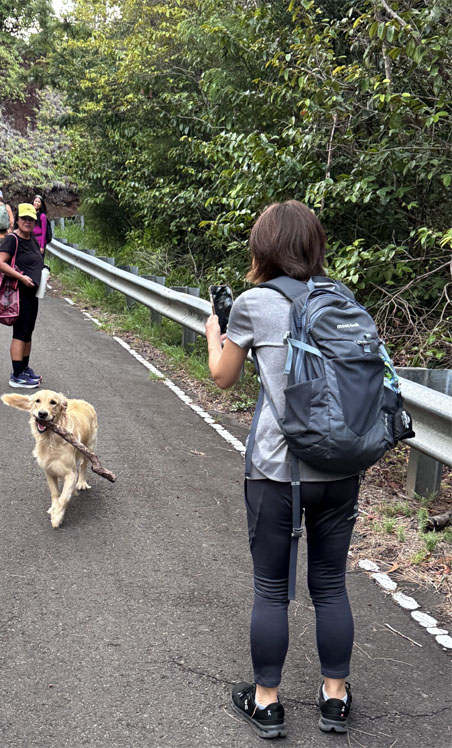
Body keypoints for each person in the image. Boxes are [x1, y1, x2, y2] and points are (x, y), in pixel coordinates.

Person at [205, 200, 359, 739]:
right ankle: (335, 697)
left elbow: (222, 375)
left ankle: (267, 703)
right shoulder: (341, 298)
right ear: (315, 246)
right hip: (341, 466)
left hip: (278, 471)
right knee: (331, 586)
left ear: (263, 247)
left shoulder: (254, 303)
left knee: (272, 589)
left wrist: (215, 330)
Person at [0, 203, 46, 388]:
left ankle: (24, 368)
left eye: (31, 219)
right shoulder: (12, 239)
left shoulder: (31, 239)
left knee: (28, 331)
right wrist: (21, 277)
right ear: (17, 220)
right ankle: (17, 375)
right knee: (20, 332)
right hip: (19, 292)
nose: (27, 222)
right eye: (24, 218)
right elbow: (0, 262)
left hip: (33, 293)